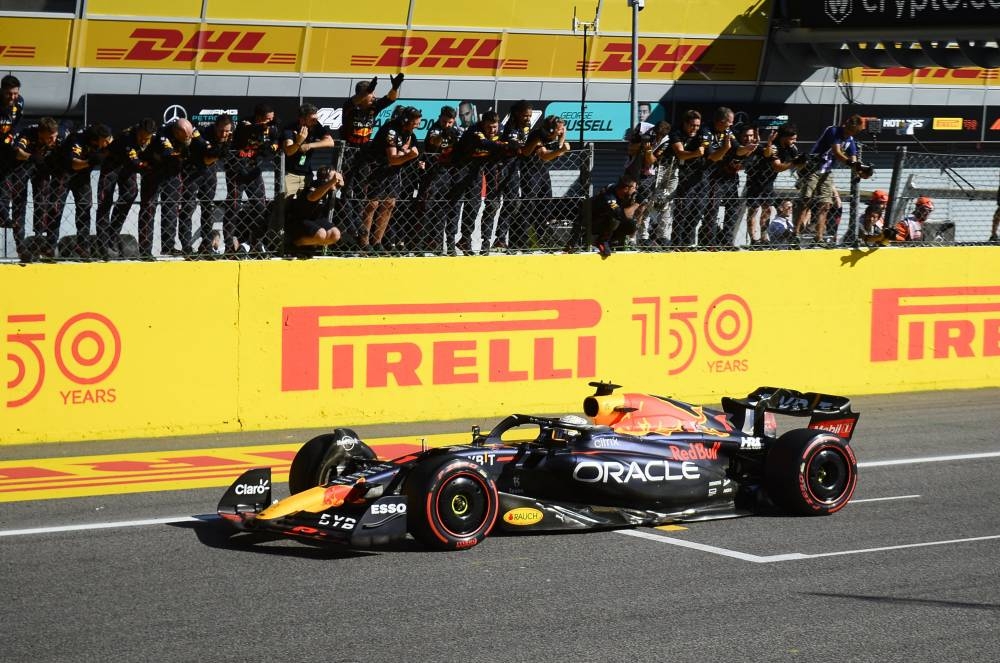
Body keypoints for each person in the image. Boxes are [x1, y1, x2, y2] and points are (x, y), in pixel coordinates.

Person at [794, 114, 870, 246]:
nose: (854, 133)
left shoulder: (850, 139)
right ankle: (795, 234)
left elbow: (853, 157)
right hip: (813, 168)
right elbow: (837, 152)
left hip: (827, 172)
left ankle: (819, 237)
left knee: (826, 204)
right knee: (806, 201)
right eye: (855, 130)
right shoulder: (833, 131)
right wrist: (852, 164)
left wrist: (859, 171)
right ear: (849, 125)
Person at [44, 123, 114, 258]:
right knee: (55, 209)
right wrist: (90, 162)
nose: (107, 143)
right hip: (63, 173)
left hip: (83, 176)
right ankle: (50, 246)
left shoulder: (104, 141)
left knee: (85, 207)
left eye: (108, 139)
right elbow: (74, 164)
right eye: (104, 140)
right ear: (96, 138)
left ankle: (83, 246)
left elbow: (111, 146)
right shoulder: (77, 140)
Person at [448, 110, 513, 255]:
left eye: (494, 127)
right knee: (456, 204)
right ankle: (450, 243)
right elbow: (485, 143)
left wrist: (509, 145)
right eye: (489, 127)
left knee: (475, 205)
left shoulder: (501, 129)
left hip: (479, 168)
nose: (492, 130)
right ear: (483, 124)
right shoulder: (475, 131)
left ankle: (469, 241)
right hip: (461, 166)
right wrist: (505, 146)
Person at [359, 105, 421, 252]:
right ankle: (364, 242)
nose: (416, 127)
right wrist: (410, 156)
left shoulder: (408, 132)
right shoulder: (391, 130)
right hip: (376, 168)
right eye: (414, 124)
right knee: (372, 204)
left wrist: (406, 154)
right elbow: (393, 158)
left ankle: (377, 242)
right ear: (405, 120)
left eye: (417, 124)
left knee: (389, 203)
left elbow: (401, 153)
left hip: (393, 171)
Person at [95, 118, 157, 259]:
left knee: (131, 194)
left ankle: (112, 235)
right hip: (112, 165)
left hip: (127, 168)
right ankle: (103, 244)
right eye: (141, 137)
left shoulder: (152, 138)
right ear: (138, 131)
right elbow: (135, 162)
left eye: (147, 138)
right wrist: (149, 167)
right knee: (105, 202)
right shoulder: (127, 137)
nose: (143, 140)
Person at [2, 117, 58, 260]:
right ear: (41, 134)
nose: (53, 140)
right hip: (21, 166)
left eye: (54, 136)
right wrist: (32, 157)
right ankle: (20, 246)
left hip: (41, 167)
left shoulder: (58, 136)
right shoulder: (27, 134)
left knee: (42, 201)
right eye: (49, 137)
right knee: (19, 204)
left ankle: (39, 239)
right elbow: (19, 152)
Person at [225, 103, 279, 253]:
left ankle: (255, 242)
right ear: (259, 118)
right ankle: (229, 244)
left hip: (254, 170)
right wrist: (262, 128)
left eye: (272, 119)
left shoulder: (271, 128)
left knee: (260, 206)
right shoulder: (245, 123)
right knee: (234, 207)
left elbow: (275, 142)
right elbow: (248, 129)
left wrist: (271, 148)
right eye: (268, 119)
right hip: (236, 171)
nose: (271, 122)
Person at [141, 118, 198, 256]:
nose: (187, 139)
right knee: (148, 209)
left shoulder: (189, 132)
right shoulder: (162, 133)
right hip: (154, 173)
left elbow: (199, 143)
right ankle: (145, 250)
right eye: (184, 137)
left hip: (173, 174)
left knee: (171, 209)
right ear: (177, 132)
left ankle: (168, 247)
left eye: (189, 137)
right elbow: (167, 152)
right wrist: (183, 150)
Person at [703, 117, 757, 248]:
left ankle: (727, 241)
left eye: (751, 136)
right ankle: (710, 242)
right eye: (746, 136)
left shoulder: (750, 148)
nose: (748, 139)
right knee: (712, 210)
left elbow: (745, 163)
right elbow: (720, 157)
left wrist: (749, 151)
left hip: (732, 181)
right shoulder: (731, 141)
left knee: (733, 209)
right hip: (716, 179)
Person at [182, 114, 232, 253]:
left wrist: (224, 146)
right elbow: (208, 156)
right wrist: (221, 149)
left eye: (227, 131)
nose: (223, 134)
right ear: (215, 127)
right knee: (188, 207)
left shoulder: (230, 137)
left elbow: (220, 155)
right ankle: (186, 245)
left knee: (207, 207)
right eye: (221, 130)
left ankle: (206, 244)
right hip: (192, 171)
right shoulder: (203, 133)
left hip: (210, 173)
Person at [743, 123, 800, 246]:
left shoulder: (792, 148)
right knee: (754, 210)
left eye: (795, 138)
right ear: (784, 137)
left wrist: (802, 161)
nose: (794, 141)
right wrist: (794, 163)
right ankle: (754, 240)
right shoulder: (774, 147)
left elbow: (799, 162)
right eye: (792, 138)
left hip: (769, 182)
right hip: (755, 180)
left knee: (768, 209)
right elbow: (777, 166)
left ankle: (764, 238)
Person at [419, 105, 463, 254]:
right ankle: (422, 243)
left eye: (450, 122)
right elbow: (434, 142)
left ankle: (442, 244)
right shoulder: (436, 128)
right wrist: (444, 133)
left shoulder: (458, 130)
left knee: (445, 210)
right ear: (440, 118)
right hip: (432, 174)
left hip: (450, 174)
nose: (447, 125)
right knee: (428, 208)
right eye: (444, 121)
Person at [624, 120, 671, 246]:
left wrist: (648, 150)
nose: (657, 138)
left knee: (641, 207)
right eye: (656, 135)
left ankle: (632, 238)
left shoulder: (666, 140)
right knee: (627, 203)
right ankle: (621, 235)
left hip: (647, 176)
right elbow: (630, 149)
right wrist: (641, 144)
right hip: (631, 171)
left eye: (660, 136)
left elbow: (651, 161)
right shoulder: (642, 128)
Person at [668, 109, 708, 248]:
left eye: (697, 125)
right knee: (682, 210)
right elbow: (680, 153)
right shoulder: (676, 133)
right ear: (685, 123)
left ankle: (688, 242)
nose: (695, 128)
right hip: (683, 176)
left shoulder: (702, 132)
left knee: (698, 210)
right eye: (692, 125)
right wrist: (696, 153)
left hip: (701, 176)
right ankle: (676, 243)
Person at [281, 103, 335, 199]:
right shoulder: (289, 129)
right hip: (290, 174)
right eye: (312, 120)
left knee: (305, 203)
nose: (315, 122)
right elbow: (289, 151)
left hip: (307, 174)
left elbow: (330, 142)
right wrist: (298, 142)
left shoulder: (316, 126)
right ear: (302, 119)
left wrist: (310, 145)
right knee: (284, 204)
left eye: (316, 119)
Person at [285, 166, 345, 251]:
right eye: (334, 178)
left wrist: (339, 181)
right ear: (325, 180)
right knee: (321, 234)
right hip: (300, 219)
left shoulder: (330, 187)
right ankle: (295, 245)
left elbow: (340, 185)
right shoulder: (315, 184)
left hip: (316, 218)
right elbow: (312, 197)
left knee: (335, 235)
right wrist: (331, 182)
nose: (336, 181)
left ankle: (310, 245)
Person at [588, 174, 639, 259]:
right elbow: (619, 214)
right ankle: (601, 240)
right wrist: (636, 204)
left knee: (631, 225)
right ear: (626, 189)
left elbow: (627, 216)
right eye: (633, 188)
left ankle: (612, 241)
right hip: (595, 222)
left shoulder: (623, 192)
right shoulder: (609, 195)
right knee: (615, 218)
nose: (635, 190)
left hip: (609, 222)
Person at [1, 74, 24, 149]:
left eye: (15, 93)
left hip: (8, 137)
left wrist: (11, 135)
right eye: (9, 94)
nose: (12, 97)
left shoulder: (19, 101)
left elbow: (18, 122)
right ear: (2, 91)